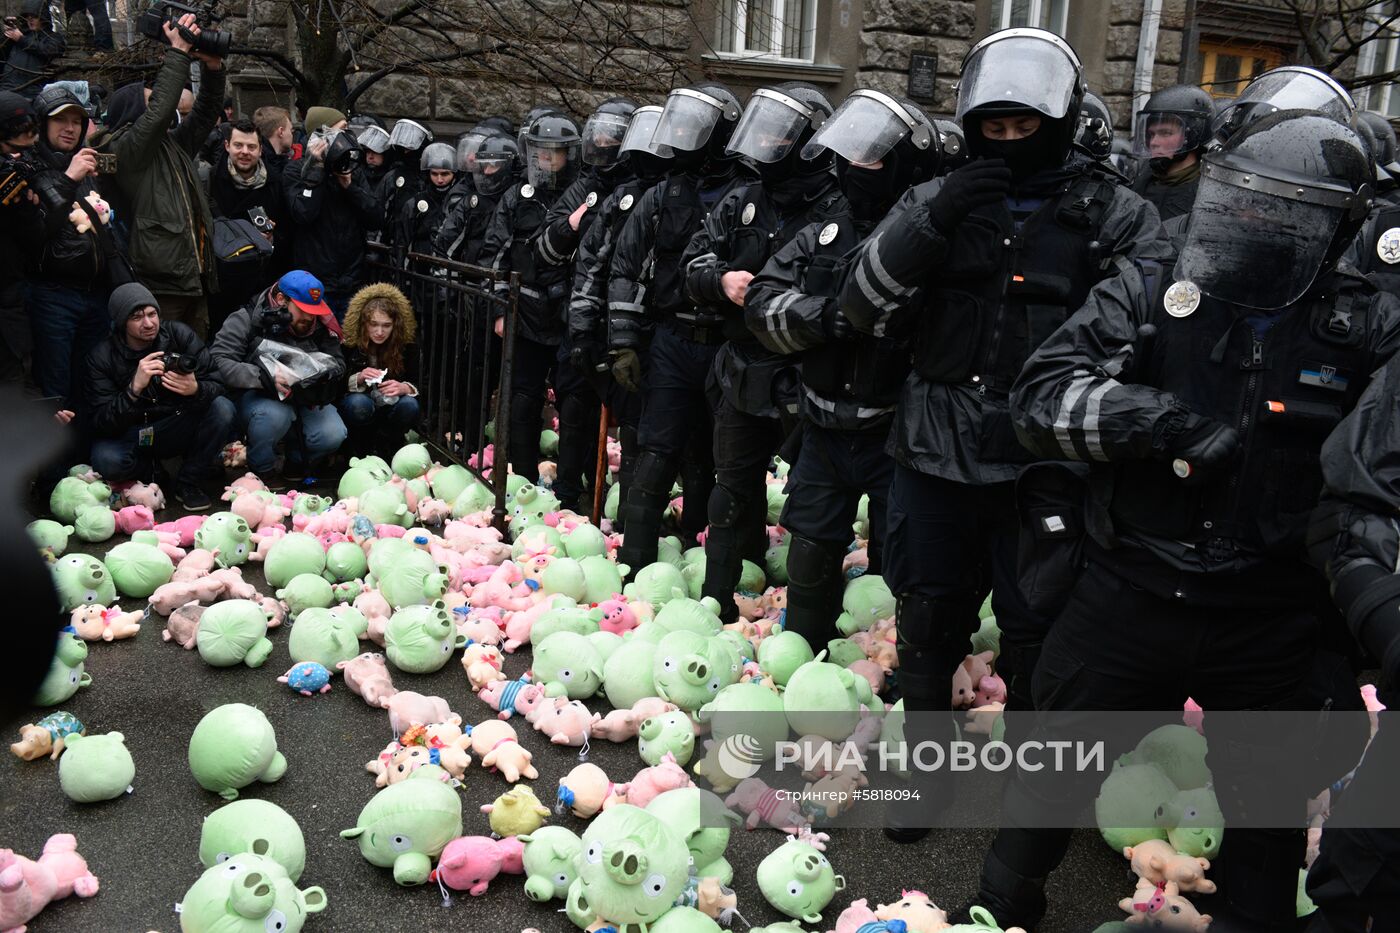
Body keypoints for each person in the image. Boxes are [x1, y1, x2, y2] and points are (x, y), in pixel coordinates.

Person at [984, 109, 1393, 932]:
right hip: (1132, 584)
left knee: (1265, 821)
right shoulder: (1153, 280)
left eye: (1291, 209)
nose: (1261, 222)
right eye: (1248, 200)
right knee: (1053, 773)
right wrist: (1153, 419)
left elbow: (1379, 477)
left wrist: (1350, 623)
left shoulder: (1365, 320)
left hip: (1270, 615)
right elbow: (1039, 397)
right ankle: (998, 904)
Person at [836, 27, 1169, 835]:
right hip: (936, 448)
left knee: (1037, 630)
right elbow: (860, 304)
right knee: (930, 619)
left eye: (1026, 128)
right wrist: (935, 218)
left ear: (1056, 121)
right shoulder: (936, 199)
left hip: (1043, 462)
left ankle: (1029, 793)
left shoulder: (1114, 209)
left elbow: (1152, 314)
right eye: (996, 127)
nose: (1010, 142)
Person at [746, 89, 941, 647]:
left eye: (873, 159)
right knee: (809, 551)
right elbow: (764, 301)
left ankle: (888, 668)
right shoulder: (825, 229)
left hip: (896, 432)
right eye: (852, 157)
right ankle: (804, 656)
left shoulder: (933, 236)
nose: (858, 170)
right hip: (825, 426)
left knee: (900, 564)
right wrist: (822, 316)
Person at [681, 82, 841, 623]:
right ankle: (718, 603)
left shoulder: (840, 204)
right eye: (765, 130)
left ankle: (808, 624)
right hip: (744, 368)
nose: (769, 142)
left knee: (812, 508)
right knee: (730, 496)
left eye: (782, 133)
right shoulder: (743, 198)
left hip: (810, 373)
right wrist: (721, 279)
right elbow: (693, 262)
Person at [607, 82, 750, 571]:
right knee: (656, 449)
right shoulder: (662, 194)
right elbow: (625, 266)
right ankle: (637, 561)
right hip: (671, 339)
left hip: (727, 345)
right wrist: (624, 341)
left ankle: (717, 560)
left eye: (696, 128)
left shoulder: (748, 194)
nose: (685, 137)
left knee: (722, 460)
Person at [566, 103, 673, 528]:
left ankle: (641, 514)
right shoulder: (623, 196)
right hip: (615, 326)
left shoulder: (675, 193)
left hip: (660, 327)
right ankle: (626, 515)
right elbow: (592, 263)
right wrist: (583, 327)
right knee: (627, 419)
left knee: (651, 428)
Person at [88, 13, 224, 337]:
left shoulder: (170, 146)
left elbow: (205, 114)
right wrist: (177, 51)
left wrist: (213, 67)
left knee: (194, 361)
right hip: (161, 285)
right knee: (163, 362)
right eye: (152, 106)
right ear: (134, 114)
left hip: (193, 276)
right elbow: (160, 112)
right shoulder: (124, 149)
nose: (168, 112)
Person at [537, 97, 637, 511]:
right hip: (581, 313)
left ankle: (626, 502)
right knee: (575, 405)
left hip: (626, 318)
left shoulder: (641, 184)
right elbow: (545, 246)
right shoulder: (584, 184)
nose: (602, 141)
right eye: (598, 132)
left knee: (630, 413)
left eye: (611, 135)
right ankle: (566, 490)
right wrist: (570, 226)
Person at [482, 112, 582, 482]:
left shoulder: (580, 194)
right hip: (524, 310)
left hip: (568, 312)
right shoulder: (516, 197)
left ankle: (570, 481)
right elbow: (495, 254)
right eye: (542, 152)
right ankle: (520, 474)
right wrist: (499, 307)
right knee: (522, 399)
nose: (548, 159)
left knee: (573, 401)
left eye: (556, 152)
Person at [85, 282, 231, 509]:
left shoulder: (178, 334)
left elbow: (219, 383)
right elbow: (100, 422)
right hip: (134, 430)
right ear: (122, 322)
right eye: (137, 317)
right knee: (106, 459)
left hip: (176, 422)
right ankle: (151, 470)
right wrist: (133, 389)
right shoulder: (102, 355)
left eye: (153, 314)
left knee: (222, 409)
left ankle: (188, 482)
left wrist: (197, 389)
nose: (149, 323)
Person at [26, 84, 125, 407]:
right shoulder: (29, 166)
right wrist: (68, 179)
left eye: (76, 122)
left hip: (95, 292)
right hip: (53, 295)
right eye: (60, 121)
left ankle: (85, 454)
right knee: (56, 385)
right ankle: (55, 457)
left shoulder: (85, 164)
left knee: (91, 382)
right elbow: (35, 234)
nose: (70, 129)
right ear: (42, 124)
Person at [208, 270, 347, 489]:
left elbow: (338, 362)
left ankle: (296, 461)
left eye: (314, 311)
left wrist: (321, 370)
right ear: (282, 300)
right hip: (260, 394)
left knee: (333, 433)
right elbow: (218, 361)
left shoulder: (321, 323)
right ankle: (262, 468)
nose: (310, 317)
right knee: (274, 416)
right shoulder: (247, 317)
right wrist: (262, 376)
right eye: (303, 311)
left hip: (305, 394)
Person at [282, 126, 380, 319]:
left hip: (351, 280)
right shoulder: (296, 170)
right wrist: (315, 172)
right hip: (315, 283)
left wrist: (351, 188)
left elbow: (375, 217)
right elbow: (303, 213)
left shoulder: (351, 171)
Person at [208, 117, 288, 332]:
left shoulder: (275, 182)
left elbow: (290, 230)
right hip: (223, 281)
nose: (245, 151)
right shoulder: (211, 180)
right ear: (227, 146)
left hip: (261, 280)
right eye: (238, 145)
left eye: (251, 146)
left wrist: (272, 239)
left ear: (260, 150)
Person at [338, 283, 420, 456]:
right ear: (363, 323)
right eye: (373, 324)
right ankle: (358, 447)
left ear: (395, 325)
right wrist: (358, 377)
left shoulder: (406, 347)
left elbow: (421, 380)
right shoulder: (349, 345)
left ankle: (387, 444)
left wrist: (405, 387)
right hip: (359, 404)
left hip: (391, 404)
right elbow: (335, 384)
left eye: (386, 325)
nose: (379, 332)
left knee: (410, 405)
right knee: (358, 404)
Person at [0, 91, 42, 385]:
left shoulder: (20, 179)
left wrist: (27, 207)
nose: (18, 159)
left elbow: (34, 239)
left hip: (9, 304)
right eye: (10, 152)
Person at [1130, 84, 1213, 220]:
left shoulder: (1207, 195)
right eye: (1151, 134)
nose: (1153, 142)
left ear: (1192, 135)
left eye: (1165, 133)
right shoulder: (1139, 180)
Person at [395, 141, 457, 260]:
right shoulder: (414, 203)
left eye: (445, 174)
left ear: (454, 174)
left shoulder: (458, 202)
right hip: (418, 266)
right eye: (434, 174)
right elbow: (402, 241)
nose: (439, 180)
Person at [0, 0, 64, 99]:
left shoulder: (53, 37)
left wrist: (21, 39)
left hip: (34, 90)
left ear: (42, 18)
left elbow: (49, 50)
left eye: (34, 17)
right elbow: (2, 54)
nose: (30, 20)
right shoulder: (20, 35)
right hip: (8, 87)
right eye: (27, 18)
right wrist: (7, 35)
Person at [253, 105, 299, 174]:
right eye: (290, 130)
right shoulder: (274, 169)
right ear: (281, 132)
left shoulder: (257, 162)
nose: (292, 135)